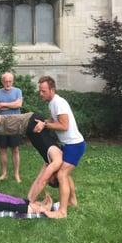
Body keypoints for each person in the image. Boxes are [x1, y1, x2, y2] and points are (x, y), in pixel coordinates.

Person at [34, 76, 86, 219]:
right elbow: (55, 120)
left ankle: (62, 212)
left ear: (52, 90)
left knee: (62, 174)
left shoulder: (58, 103)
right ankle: (72, 200)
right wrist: (45, 121)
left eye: (43, 91)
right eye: (40, 91)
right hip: (69, 145)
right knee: (65, 173)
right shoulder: (52, 103)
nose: (41, 94)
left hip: (75, 145)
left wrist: (45, 125)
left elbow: (64, 126)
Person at [0, 72, 23, 182]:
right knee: (2, 150)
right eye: (6, 81)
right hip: (1, 124)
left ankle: (16, 174)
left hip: (15, 123)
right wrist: (11, 104)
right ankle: (4, 173)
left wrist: (2, 104)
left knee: (15, 149)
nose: (8, 83)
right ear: (2, 82)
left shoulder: (18, 91)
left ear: (13, 81)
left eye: (10, 81)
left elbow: (18, 105)